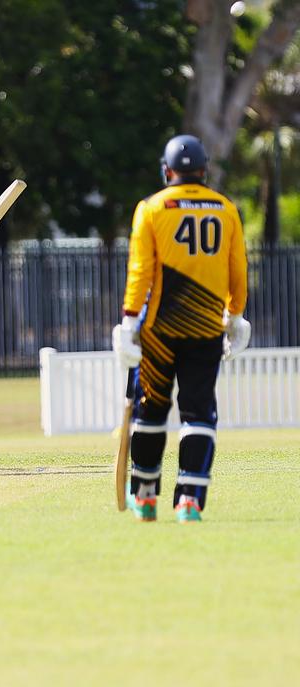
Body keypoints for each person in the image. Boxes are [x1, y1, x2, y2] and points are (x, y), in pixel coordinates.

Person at [112, 134, 250, 523]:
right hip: (207, 328)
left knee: (151, 409)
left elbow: (140, 272)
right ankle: (189, 499)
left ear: (167, 170)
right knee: (199, 411)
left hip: (158, 329)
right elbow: (237, 268)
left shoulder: (152, 208)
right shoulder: (226, 209)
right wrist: (235, 314)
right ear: (204, 170)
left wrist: (128, 320)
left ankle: (146, 495)